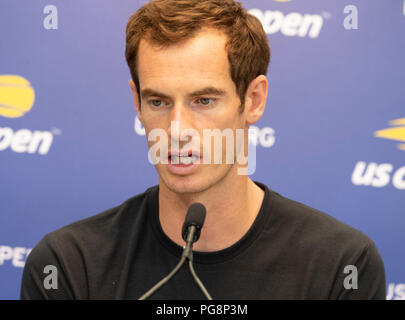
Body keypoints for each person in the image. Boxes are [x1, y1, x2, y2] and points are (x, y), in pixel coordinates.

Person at [20, 0, 386, 300]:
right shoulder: (68, 264)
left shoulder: (341, 265)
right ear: (137, 101)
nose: (177, 131)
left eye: (204, 100)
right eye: (159, 102)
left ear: (253, 100)